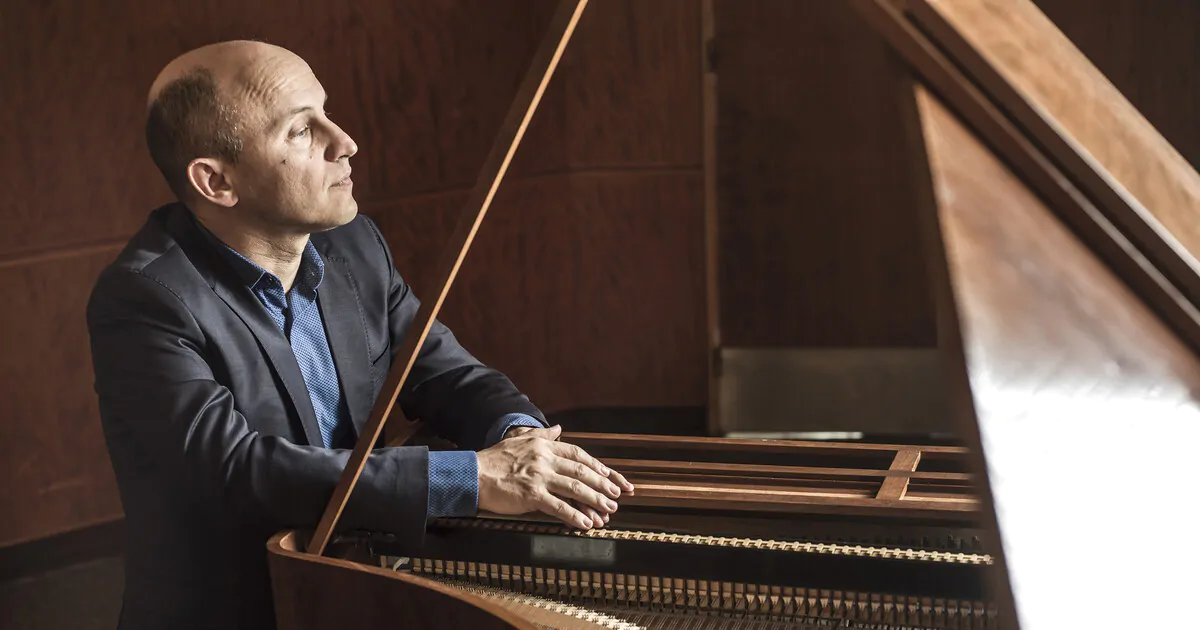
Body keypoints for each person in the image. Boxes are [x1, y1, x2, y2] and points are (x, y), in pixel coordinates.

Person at [86, 40, 633, 630]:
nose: (344, 142)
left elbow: (445, 372)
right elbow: (236, 471)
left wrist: (525, 443)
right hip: (239, 609)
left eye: (326, 110)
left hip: (360, 585)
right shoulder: (146, 300)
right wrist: (478, 477)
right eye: (299, 131)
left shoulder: (354, 246)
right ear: (216, 181)